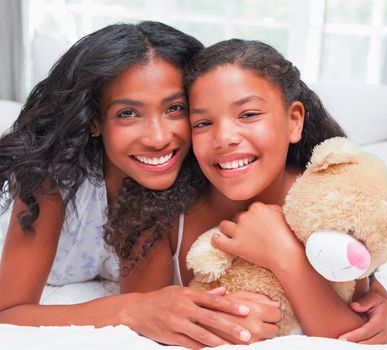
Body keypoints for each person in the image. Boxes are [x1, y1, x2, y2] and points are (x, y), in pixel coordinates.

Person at [0, 22, 281, 349]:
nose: (159, 138)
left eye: (174, 108)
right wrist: (127, 309)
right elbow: (8, 311)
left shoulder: (199, 173)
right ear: (94, 121)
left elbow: (167, 299)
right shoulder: (53, 178)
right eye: (128, 113)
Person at [106, 38, 387, 344]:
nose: (225, 137)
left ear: (294, 120)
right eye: (203, 122)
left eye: (248, 115)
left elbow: (352, 336)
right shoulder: (159, 213)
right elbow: (142, 321)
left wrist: (283, 254)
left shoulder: (331, 198)